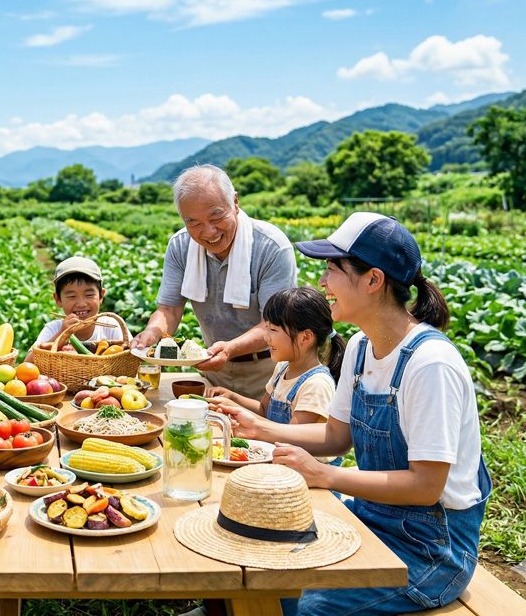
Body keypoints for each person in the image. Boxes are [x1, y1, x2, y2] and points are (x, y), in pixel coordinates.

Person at [215, 212, 490, 615]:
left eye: (332, 269)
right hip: (373, 515)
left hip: (432, 550)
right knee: (263, 541)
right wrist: (260, 428)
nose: (323, 283)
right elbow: (335, 438)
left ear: (373, 280)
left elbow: (427, 485)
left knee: (312, 605)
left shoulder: (430, 364)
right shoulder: (362, 346)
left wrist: (325, 474)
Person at [131, 164, 296, 399]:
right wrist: (151, 333)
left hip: (269, 370)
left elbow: (274, 323)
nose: (208, 232)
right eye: (194, 222)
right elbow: (169, 309)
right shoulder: (180, 245)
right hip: (212, 374)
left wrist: (229, 349)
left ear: (235, 202)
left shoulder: (271, 247)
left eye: (216, 216)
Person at [206, 286, 344, 426]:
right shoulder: (282, 368)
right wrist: (232, 397)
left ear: (305, 337)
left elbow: (292, 437)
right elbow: (263, 409)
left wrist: (234, 408)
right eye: (267, 328)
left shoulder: (316, 385)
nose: (266, 337)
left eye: (273, 330)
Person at [28, 256, 130, 359]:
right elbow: (27, 364)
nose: (81, 304)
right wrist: (62, 335)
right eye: (72, 296)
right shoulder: (53, 329)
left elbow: (131, 358)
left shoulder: (111, 326)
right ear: (58, 299)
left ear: (101, 296)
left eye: (89, 295)